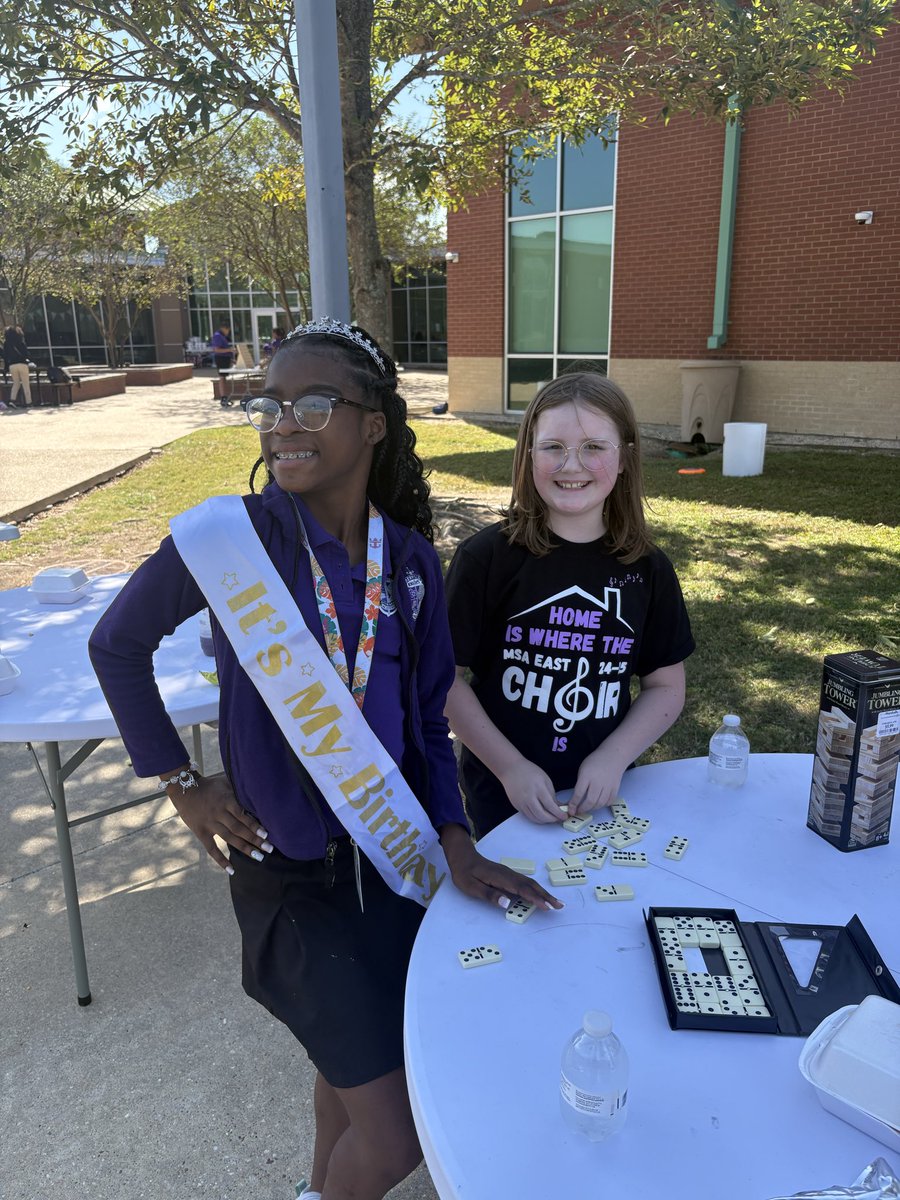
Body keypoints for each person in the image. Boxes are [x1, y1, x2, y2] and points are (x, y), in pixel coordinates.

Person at [89, 317, 559, 1200]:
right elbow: (116, 646)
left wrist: (455, 838)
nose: (283, 425)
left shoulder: (409, 563)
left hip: (389, 871)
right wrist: (182, 783)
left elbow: (428, 725)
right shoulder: (230, 540)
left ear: (372, 424)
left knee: (351, 1078)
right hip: (291, 884)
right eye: (269, 405)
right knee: (397, 1137)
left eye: (313, 404)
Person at [444, 371, 695, 839]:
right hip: (503, 791)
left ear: (624, 458)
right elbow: (445, 679)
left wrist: (614, 757)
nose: (571, 465)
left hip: (607, 792)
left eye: (594, 447)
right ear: (528, 454)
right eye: (553, 447)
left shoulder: (648, 569)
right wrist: (511, 767)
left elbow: (666, 687)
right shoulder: (485, 558)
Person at [2, 325, 32, 407]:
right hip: (22, 364)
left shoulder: (6, 343)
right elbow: (26, 353)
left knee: (16, 383)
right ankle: (28, 402)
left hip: (12, 365)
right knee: (26, 384)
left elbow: (5, 356)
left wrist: (6, 367)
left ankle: (12, 400)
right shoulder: (20, 341)